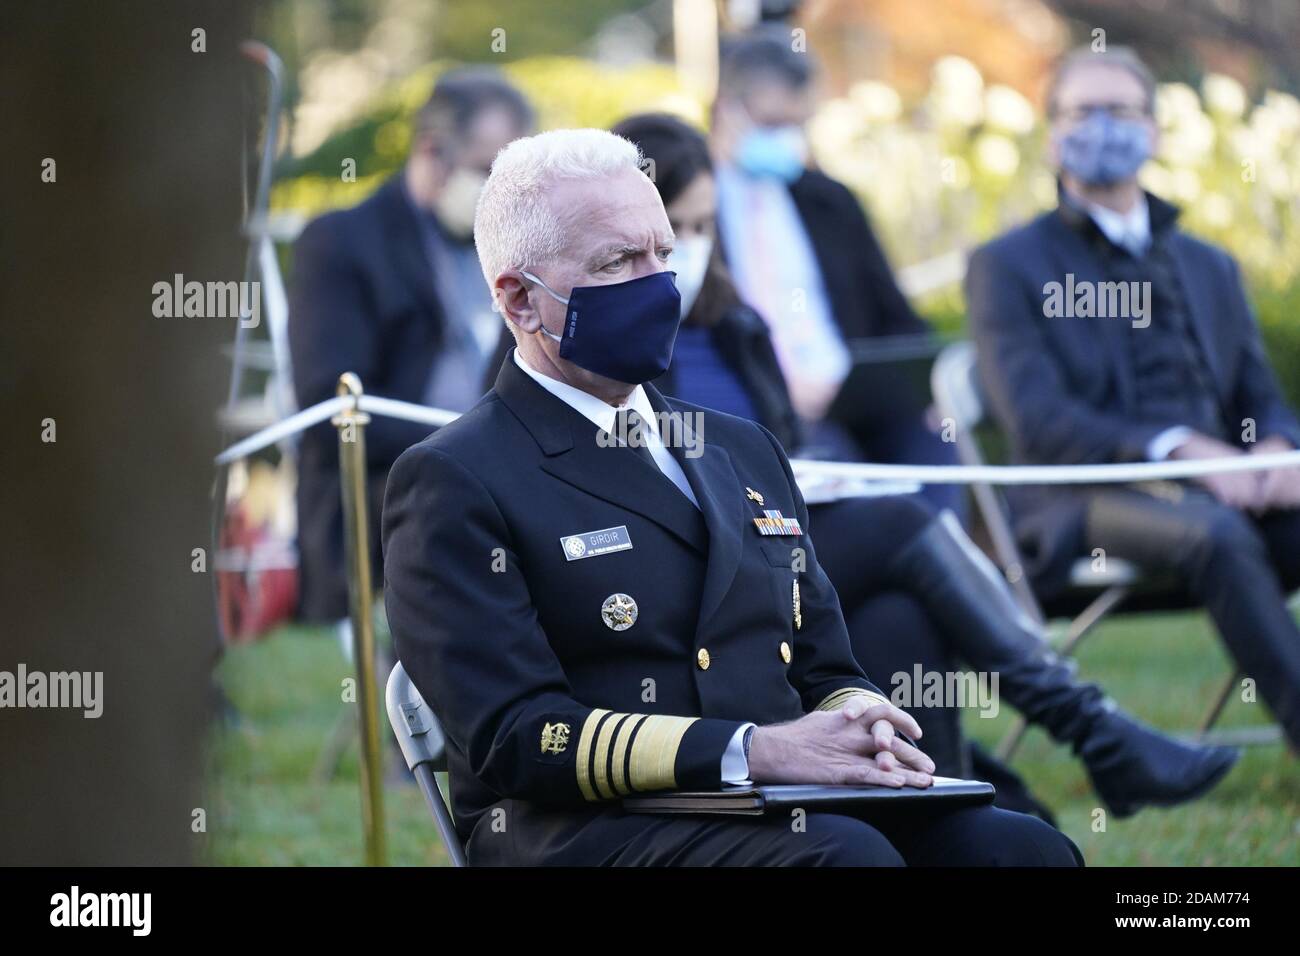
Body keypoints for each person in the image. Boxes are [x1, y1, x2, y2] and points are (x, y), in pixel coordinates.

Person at [382, 127, 1083, 866]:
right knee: (846, 860)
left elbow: (823, 666)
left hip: (785, 802)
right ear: (520, 300)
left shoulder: (739, 448)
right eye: (618, 261)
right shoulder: (455, 477)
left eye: (665, 253)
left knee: (1021, 850)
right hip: (589, 830)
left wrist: (863, 718)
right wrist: (754, 749)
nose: (659, 284)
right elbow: (516, 736)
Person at [611, 111, 1236, 820]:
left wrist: (809, 473)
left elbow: (771, 450)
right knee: (901, 525)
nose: (686, 251)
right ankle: (1089, 728)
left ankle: (950, 811)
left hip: (784, 553)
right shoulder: (597, 343)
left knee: (899, 619)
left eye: (699, 229)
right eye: (670, 232)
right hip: (699, 572)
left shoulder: (736, 326)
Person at [966, 46, 1300, 751]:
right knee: (1217, 533)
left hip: (1223, 491)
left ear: (1154, 130)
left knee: (1251, 523)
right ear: (1052, 133)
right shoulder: (1006, 265)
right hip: (1080, 496)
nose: (1102, 127)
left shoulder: (1209, 264)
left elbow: (1259, 394)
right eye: (1082, 111)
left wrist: (1272, 448)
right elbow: (1036, 419)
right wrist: (1182, 450)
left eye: (1121, 111)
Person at [289, 67, 533, 623]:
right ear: (432, 150)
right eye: (485, 170)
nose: (501, 193)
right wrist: (466, 443)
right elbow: (329, 413)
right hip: (388, 495)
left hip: (497, 474)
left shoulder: (509, 243)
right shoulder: (343, 242)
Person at [708, 27, 964, 517]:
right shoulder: (693, 208)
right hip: (762, 407)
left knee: (932, 448)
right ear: (727, 108)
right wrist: (781, 387)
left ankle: (937, 565)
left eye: (798, 125)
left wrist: (925, 388)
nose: (786, 139)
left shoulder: (829, 201)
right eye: (772, 122)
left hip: (852, 393)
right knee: (838, 472)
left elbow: (896, 314)